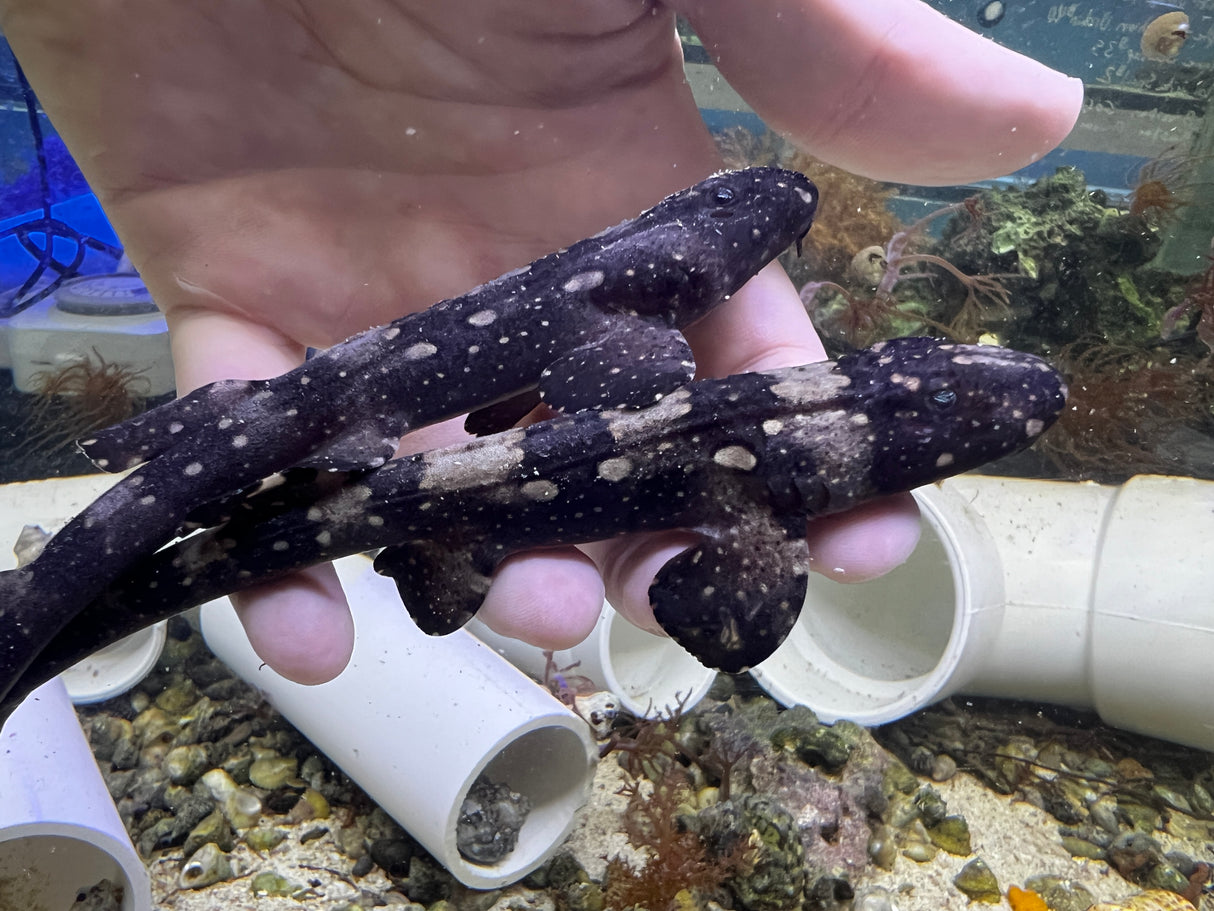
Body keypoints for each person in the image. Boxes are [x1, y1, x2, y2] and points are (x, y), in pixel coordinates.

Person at [0, 0, 1082, 684]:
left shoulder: (667, 347)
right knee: (173, 541)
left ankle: (30, 618)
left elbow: (694, 560)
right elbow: (722, 620)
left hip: (409, 453)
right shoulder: (680, 381)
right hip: (390, 438)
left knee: (199, 539)